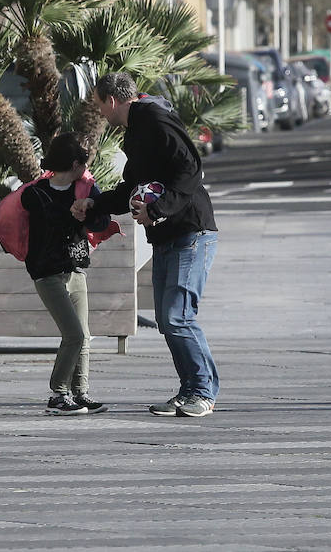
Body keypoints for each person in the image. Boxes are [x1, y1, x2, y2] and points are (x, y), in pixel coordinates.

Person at [72, 73, 220, 418]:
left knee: (177, 317)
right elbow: (131, 188)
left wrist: (157, 209)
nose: (100, 113)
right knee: (170, 320)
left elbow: (190, 168)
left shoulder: (153, 118)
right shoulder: (138, 129)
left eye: (98, 105)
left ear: (111, 101)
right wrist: (97, 204)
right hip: (168, 235)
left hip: (191, 231)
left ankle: (202, 392)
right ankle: (189, 391)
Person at [22, 133, 113, 416]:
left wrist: (89, 211)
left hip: (76, 269)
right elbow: (49, 218)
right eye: (83, 165)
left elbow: (103, 218)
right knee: (73, 333)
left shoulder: (86, 190)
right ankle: (58, 394)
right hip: (47, 274)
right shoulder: (35, 193)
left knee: (83, 335)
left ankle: (80, 392)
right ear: (74, 164)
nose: (86, 171)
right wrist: (74, 212)